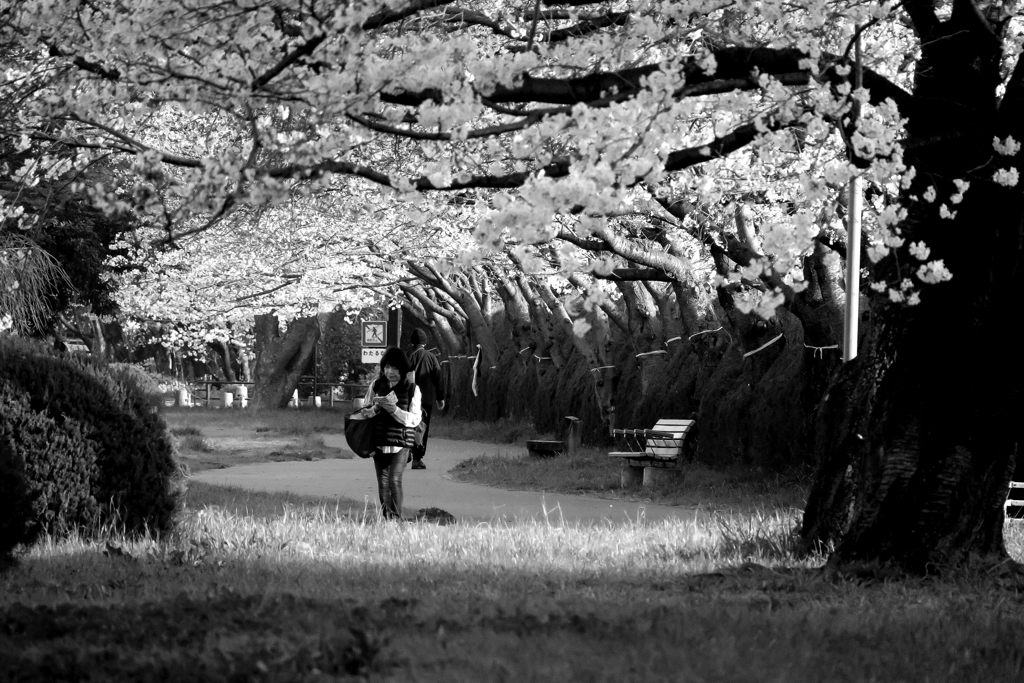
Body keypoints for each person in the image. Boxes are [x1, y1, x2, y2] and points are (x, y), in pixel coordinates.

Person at [360, 347, 422, 520]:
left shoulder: (412, 389)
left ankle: (396, 518)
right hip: (379, 441)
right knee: (383, 483)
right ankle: (387, 519)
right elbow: (365, 408)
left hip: (400, 444)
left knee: (394, 480)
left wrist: (394, 410)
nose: (389, 372)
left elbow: (415, 419)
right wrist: (372, 410)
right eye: (387, 367)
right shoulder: (376, 385)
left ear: (402, 369)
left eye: (394, 368)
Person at [407, 328, 448, 470]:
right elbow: (438, 378)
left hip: (407, 399)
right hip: (425, 400)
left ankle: (406, 450)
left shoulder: (407, 357)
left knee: (407, 425)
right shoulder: (431, 358)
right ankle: (417, 458)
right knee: (421, 427)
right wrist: (440, 398)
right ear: (425, 343)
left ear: (412, 343)